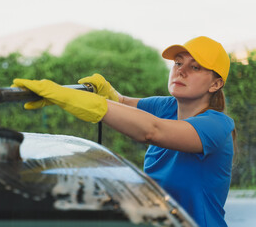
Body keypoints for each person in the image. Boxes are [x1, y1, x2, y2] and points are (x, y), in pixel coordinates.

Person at [12, 36, 235, 227]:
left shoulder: (217, 126)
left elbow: (151, 130)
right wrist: (105, 93)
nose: (181, 71)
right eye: (178, 63)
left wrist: (89, 103)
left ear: (215, 84)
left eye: (194, 67)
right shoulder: (167, 107)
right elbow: (122, 102)